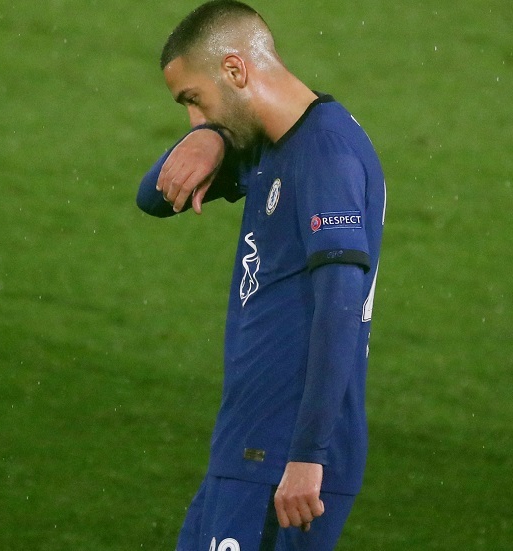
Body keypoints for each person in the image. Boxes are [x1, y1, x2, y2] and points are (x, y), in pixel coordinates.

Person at [135, 2, 386, 550]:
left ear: (235, 69)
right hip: (246, 448)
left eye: (194, 100)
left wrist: (308, 457)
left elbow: (340, 306)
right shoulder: (267, 147)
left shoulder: (326, 152)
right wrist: (213, 137)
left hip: (284, 461)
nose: (193, 119)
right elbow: (152, 196)